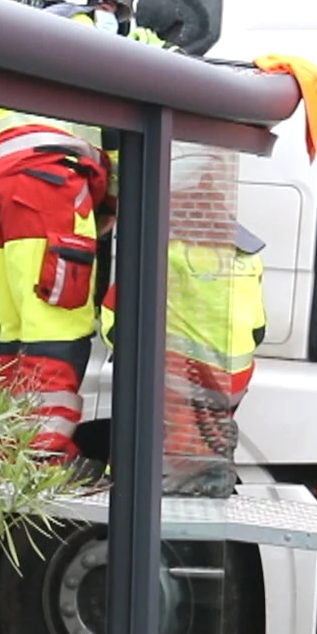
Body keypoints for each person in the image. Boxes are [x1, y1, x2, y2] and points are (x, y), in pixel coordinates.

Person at [0, 0, 152, 464]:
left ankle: (12, 446)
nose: (119, 18)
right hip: (47, 183)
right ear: (103, 3)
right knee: (57, 320)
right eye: (117, 9)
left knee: (12, 329)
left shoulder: (23, 37)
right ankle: (44, 456)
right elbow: (118, 132)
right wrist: (112, 201)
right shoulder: (92, 41)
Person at [99, 148, 268, 497]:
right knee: (210, 428)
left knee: (150, 411)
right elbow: (258, 329)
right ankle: (212, 474)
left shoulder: (163, 247)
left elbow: (116, 318)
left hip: (184, 373)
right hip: (235, 375)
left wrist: (124, 348)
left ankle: (129, 482)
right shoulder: (245, 252)